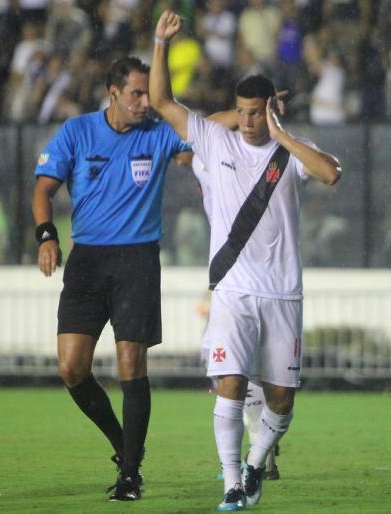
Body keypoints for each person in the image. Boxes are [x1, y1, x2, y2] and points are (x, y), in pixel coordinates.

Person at [150, 10, 341, 511]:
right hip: (233, 289)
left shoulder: (289, 152)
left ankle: (257, 464)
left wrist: (279, 131)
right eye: (243, 112)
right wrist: (160, 44)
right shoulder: (216, 142)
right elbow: (163, 102)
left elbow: (330, 173)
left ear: (270, 112)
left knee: (281, 398)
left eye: (256, 112)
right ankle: (233, 482)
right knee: (230, 384)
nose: (249, 121)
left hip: (282, 293)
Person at [31, 55, 190, 503]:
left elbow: (205, 135)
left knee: (130, 365)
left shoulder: (157, 133)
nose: (145, 102)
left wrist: (243, 117)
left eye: (147, 93)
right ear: (113, 92)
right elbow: (44, 188)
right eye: (137, 94)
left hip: (138, 259)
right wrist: (46, 237)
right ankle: (124, 447)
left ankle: (131, 475)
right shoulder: (78, 132)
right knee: (71, 367)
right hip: (87, 260)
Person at [193, 154, 280, 481]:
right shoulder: (206, 165)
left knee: (246, 369)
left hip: (254, 278)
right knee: (226, 365)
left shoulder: (223, 160)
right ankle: (256, 456)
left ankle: (259, 455)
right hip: (229, 277)